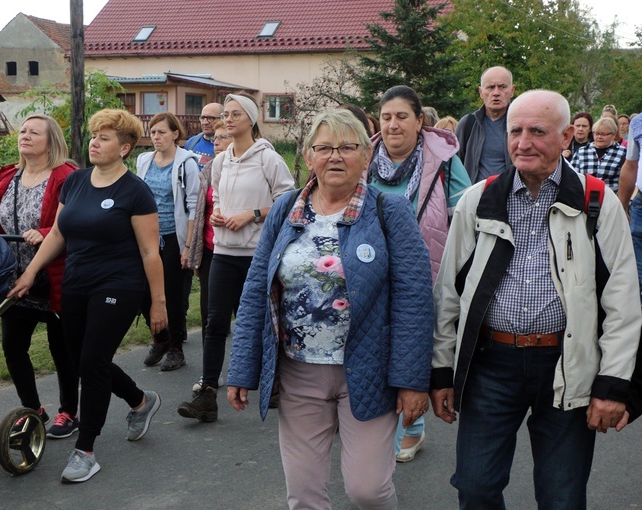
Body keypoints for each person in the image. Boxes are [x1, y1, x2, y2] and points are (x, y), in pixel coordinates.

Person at [431, 90, 641, 508]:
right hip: (490, 364)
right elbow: (449, 295)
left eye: (537, 132)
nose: (523, 142)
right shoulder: (478, 200)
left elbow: (623, 303)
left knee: (562, 498)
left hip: (567, 365)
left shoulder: (596, 202)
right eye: (515, 131)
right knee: (475, 489)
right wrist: (441, 371)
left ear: (565, 137)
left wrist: (614, 385)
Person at [227, 108, 434, 509]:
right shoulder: (287, 210)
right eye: (324, 147)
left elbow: (414, 299)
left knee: (367, 490)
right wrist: (241, 369)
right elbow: (256, 291)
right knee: (303, 494)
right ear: (308, 157)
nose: (335, 156)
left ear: (366, 157)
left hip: (369, 370)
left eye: (347, 147)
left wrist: (412, 381)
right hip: (298, 372)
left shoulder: (389, 211)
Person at [9, 108, 166, 483]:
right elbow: (59, 234)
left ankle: (86, 449)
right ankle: (140, 401)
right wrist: (31, 271)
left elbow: (149, 252)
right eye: (94, 136)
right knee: (82, 360)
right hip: (76, 283)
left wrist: (158, 302)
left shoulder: (135, 192)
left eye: (105, 138)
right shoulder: (75, 182)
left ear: (125, 148)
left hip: (119, 285)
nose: (95, 142)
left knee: (93, 360)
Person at [368, 85, 471, 462]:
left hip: (425, 266)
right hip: (373, 268)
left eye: (401, 116)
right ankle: (377, 422)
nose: (393, 125)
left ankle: (411, 426)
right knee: (376, 346)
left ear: (419, 121)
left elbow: (464, 213)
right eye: (386, 117)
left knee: (413, 347)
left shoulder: (443, 159)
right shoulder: (365, 157)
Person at [177, 92, 294, 422]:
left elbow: (289, 203)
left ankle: (272, 381)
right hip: (223, 253)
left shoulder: (268, 159)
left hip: (258, 255)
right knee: (214, 324)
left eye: (235, 114)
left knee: (262, 323)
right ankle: (207, 395)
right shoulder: (221, 161)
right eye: (224, 115)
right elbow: (217, 201)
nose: (227, 119)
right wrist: (219, 217)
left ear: (252, 120)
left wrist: (252, 214)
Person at [0, 114, 80, 439]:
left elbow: (73, 224)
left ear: (50, 141)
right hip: (17, 278)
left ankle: (69, 412)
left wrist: (45, 233)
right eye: (23, 131)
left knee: (62, 350)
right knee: (12, 346)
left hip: (56, 277)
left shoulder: (67, 176)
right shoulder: (9, 176)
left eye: (34, 132)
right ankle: (33, 411)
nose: (25, 136)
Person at [136, 112, 199, 372]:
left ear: (175, 134)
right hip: (145, 236)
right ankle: (160, 339)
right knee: (140, 290)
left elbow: (194, 206)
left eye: (161, 132)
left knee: (172, 295)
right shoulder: (143, 160)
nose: (156, 137)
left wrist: (188, 246)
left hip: (174, 236)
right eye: (152, 132)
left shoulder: (187, 163)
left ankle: (175, 348)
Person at [187, 120, 231, 389]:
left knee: (247, 315)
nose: (216, 140)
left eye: (223, 136)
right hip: (211, 251)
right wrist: (195, 253)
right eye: (215, 137)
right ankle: (210, 375)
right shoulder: (207, 169)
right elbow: (199, 212)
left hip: (241, 253)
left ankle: (259, 371)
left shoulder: (250, 167)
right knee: (210, 316)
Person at [456, 66, 515, 182]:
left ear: (512, 91)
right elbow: (455, 167)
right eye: (490, 87)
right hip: (475, 196)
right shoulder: (468, 124)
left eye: (502, 87)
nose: (496, 93)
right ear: (481, 92)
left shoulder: (521, 125)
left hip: (512, 196)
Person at [618, 113, 642, 300]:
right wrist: (621, 207)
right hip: (640, 206)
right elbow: (631, 166)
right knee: (637, 276)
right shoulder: (638, 121)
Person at [571, 116, 626, 192]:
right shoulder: (582, 151)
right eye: (597, 134)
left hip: (611, 197)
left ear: (613, 135)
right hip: (585, 196)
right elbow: (573, 176)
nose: (599, 137)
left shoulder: (622, 152)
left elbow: (626, 180)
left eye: (603, 134)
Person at [186, 103, 224, 170]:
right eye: (202, 118)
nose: (205, 122)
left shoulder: (226, 146)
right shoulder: (191, 142)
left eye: (210, 118)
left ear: (222, 119)